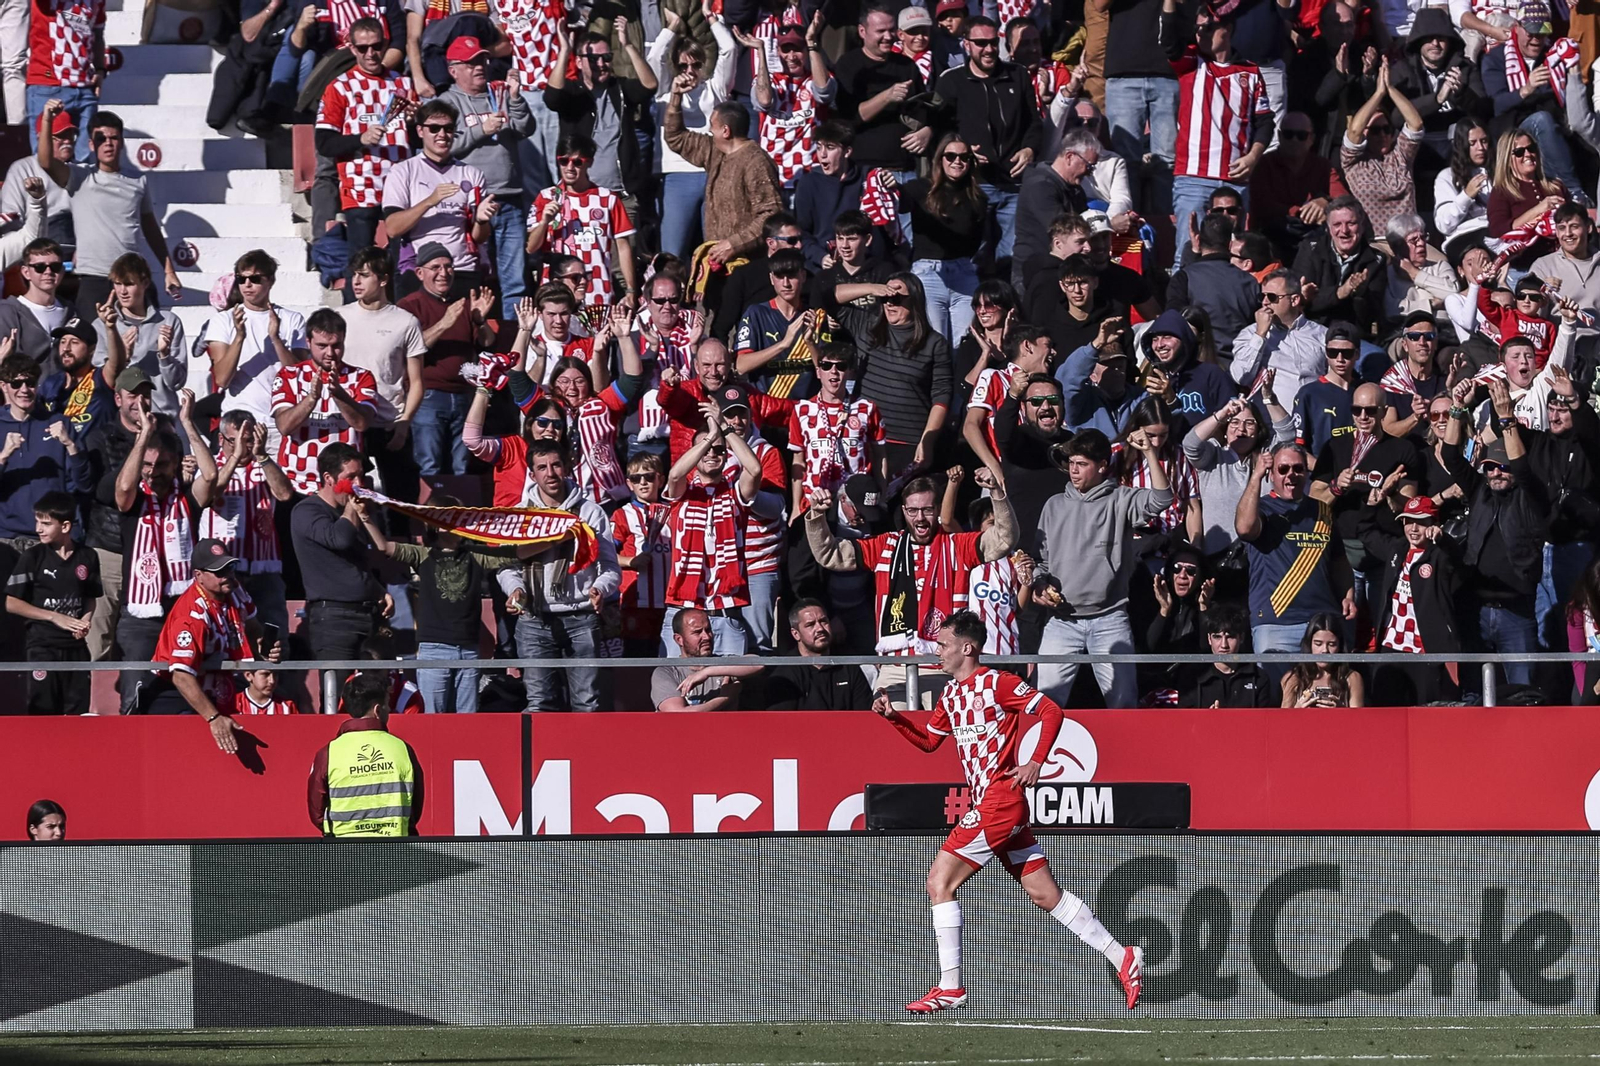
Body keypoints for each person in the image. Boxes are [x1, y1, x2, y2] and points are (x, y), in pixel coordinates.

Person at [870, 610, 1143, 1014]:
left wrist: (1034, 761)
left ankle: (951, 986)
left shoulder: (998, 683)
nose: (937, 651)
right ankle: (1122, 956)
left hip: (1001, 800)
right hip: (992, 803)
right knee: (1044, 894)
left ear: (968, 648)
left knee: (938, 882)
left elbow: (1052, 710)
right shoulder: (951, 694)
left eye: (943, 645)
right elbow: (930, 742)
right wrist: (895, 719)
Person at [807, 468, 1014, 707]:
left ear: (937, 510)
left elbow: (1004, 539)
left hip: (944, 669)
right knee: (892, 737)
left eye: (927, 509)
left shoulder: (957, 545)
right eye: (913, 510)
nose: (920, 518)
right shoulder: (886, 546)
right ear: (904, 511)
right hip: (894, 670)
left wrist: (997, 492)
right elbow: (830, 555)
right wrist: (817, 516)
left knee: (943, 739)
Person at [1032, 426, 1170, 707]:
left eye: (1082, 464)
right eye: (1071, 463)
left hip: (1110, 619)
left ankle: (1127, 752)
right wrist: (1038, 583)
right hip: (1061, 621)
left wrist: (1149, 452)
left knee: (1123, 706)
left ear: (1102, 466)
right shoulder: (1053, 505)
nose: (1074, 470)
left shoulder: (1121, 499)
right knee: (1044, 706)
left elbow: (1162, 499)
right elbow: (1040, 561)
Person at [361, 495, 523, 715]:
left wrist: (555, 537)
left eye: (458, 517)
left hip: (468, 650)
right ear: (431, 523)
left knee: (466, 719)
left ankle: (463, 751)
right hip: (433, 650)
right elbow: (384, 546)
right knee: (433, 719)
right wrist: (364, 516)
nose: (453, 523)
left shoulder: (476, 556)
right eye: (446, 518)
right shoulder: (423, 555)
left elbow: (516, 553)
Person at [1442, 377, 1548, 691]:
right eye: (1489, 467)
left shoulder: (1531, 497)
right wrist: (1458, 409)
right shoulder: (1479, 492)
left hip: (1517, 613)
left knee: (1524, 695)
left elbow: (1524, 469)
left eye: (1501, 467)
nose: (1495, 472)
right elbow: (1451, 457)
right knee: (1474, 694)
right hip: (1474, 609)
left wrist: (1505, 418)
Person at [34, 106, 181, 311]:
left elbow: (150, 228)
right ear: (91, 145)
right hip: (94, 277)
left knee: (147, 339)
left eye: (114, 138)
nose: (108, 143)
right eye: (101, 139)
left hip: (132, 275)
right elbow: (46, 162)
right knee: (91, 342)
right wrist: (48, 119)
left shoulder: (138, 181)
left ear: (121, 143)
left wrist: (169, 271)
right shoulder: (79, 176)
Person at [513, 440, 621, 712]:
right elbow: (508, 565)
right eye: (541, 467)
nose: (550, 473)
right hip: (534, 618)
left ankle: (585, 755)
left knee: (587, 703)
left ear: (567, 467)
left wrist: (599, 589)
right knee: (539, 703)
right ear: (532, 474)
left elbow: (610, 567)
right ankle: (540, 756)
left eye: (556, 465)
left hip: (581, 617)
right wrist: (515, 589)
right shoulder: (521, 513)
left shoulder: (590, 512)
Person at [1166, 3, 1272, 272]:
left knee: (1238, 254)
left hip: (1236, 178)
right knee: (1187, 251)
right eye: (1197, 28)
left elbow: (1265, 122)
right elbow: (1168, 39)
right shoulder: (1191, 62)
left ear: (1228, 29)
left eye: (1208, 27)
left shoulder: (1250, 71)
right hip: (1194, 177)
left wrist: (1254, 155)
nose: (1200, 33)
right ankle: (1180, 312)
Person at [145, 537, 283, 741]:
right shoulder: (191, 615)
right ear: (198, 575)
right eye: (219, 572)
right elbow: (181, 675)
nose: (227, 575)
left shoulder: (234, 589)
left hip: (219, 688)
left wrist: (261, 646)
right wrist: (213, 718)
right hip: (178, 697)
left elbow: (253, 626)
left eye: (230, 567)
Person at [314, 19, 417, 292]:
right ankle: (352, 324)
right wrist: (359, 139)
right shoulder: (340, 87)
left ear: (385, 45)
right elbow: (324, 142)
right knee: (360, 261)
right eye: (363, 48)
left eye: (376, 46)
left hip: (399, 185)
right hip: (361, 186)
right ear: (352, 48)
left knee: (399, 260)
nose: (370, 54)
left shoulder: (402, 83)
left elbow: (417, 140)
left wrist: (416, 122)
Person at [935, 16, 1041, 267]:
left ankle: (1008, 306)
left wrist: (1029, 149)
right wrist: (964, 151)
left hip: (1014, 184)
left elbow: (1034, 123)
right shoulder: (951, 81)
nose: (989, 49)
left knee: (1013, 258)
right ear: (966, 44)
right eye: (981, 43)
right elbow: (940, 132)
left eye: (993, 42)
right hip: (973, 184)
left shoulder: (1018, 75)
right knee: (975, 256)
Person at [440, 35, 533, 317]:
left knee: (514, 280)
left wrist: (515, 98)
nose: (479, 67)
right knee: (471, 278)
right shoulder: (447, 102)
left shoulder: (500, 92)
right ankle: (475, 339)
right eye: (470, 63)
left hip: (510, 198)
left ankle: (514, 343)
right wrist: (483, 130)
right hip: (470, 204)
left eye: (481, 60)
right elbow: (445, 146)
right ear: (453, 69)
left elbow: (525, 128)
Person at [1236, 443, 1356, 652]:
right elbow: (1245, 529)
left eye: (1298, 469)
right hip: (1276, 622)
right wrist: (1256, 477)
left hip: (1323, 623)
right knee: (1276, 685)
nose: (1291, 475)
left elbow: (1339, 561)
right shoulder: (1262, 508)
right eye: (1283, 469)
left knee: (1329, 685)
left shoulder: (1322, 511)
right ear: (1271, 475)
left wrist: (1348, 596)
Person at [396, 243, 497, 477]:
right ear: (420, 273)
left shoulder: (461, 305)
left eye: (448, 266)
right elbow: (407, 349)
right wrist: (443, 324)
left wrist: (480, 320)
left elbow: (488, 342)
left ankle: (460, 513)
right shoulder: (409, 306)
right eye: (436, 267)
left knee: (461, 469)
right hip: (428, 397)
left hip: (463, 396)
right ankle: (428, 513)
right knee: (429, 466)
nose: (444, 273)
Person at [541, 27, 656, 231]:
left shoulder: (619, 88)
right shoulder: (573, 92)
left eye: (606, 57)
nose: (601, 64)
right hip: (580, 196)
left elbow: (649, 86)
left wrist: (628, 46)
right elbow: (551, 97)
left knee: (624, 259)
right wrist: (565, 51)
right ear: (578, 62)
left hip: (622, 196)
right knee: (584, 259)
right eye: (593, 59)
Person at [381, 99, 496, 295]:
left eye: (448, 128)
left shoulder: (472, 174)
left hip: (462, 269)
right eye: (434, 128)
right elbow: (392, 228)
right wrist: (429, 201)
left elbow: (479, 237)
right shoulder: (403, 171)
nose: (442, 135)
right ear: (420, 131)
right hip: (418, 270)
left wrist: (481, 220)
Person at [289, 443, 388, 669]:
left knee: (374, 691)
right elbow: (339, 539)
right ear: (329, 478)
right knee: (338, 692)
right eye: (350, 477)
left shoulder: (353, 512)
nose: (358, 484)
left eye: (361, 476)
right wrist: (353, 506)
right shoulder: (307, 510)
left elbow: (356, 561)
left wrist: (377, 589)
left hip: (368, 613)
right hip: (334, 619)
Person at [663, 87, 784, 272]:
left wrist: (734, 244)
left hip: (748, 267)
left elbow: (772, 215)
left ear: (725, 131)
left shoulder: (757, 162)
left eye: (713, 127)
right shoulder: (715, 151)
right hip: (717, 266)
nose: (710, 131)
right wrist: (675, 98)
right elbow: (675, 137)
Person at [338, 247, 426, 500]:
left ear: (384, 279)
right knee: (348, 498)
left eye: (364, 275)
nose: (356, 281)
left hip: (390, 423)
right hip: (350, 423)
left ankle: (402, 539)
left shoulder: (406, 322)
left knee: (402, 500)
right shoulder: (339, 317)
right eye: (355, 274)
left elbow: (417, 381)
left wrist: (404, 423)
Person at [1481, 2, 1588, 207]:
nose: (1535, 39)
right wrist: (1526, 89)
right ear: (1517, 28)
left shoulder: (1552, 56)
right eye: (1530, 33)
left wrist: (1572, 68)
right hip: (1512, 126)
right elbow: (1495, 105)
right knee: (1542, 121)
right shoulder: (1496, 59)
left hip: (1555, 123)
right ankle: (1574, 192)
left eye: (1542, 32)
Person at [1360, 493, 1461, 704]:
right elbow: (1366, 532)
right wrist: (1371, 506)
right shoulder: (1397, 548)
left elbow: (1458, 561)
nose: (1413, 529)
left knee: (1426, 713)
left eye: (1421, 522)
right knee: (1385, 712)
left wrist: (1443, 540)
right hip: (1391, 646)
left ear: (1434, 524)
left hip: (1424, 650)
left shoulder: (1439, 555)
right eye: (1408, 521)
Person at [4, 491, 98, 715]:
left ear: (65, 526)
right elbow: (11, 602)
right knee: (43, 711)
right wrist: (54, 616)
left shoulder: (88, 556)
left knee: (77, 712)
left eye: (46, 523)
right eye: (37, 521)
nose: (38, 528)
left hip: (76, 649)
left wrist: (84, 621)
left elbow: (90, 597)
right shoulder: (32, 557)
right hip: (42, 647)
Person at [206, 250, 311, 447]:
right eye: (241, 278)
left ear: (270, 281)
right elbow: (222, 379)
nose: (247, 284)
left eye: (254, 278)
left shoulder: (291, 319)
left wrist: (275, 339)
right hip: (238, 424)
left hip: (279, 422)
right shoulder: (223, 320)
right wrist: (239, 337)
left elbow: (300, 375)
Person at [854, 273, 954, 474]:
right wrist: (873, 287)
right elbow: (828, 296)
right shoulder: (868, 328)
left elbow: (941, 396)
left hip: (908, 441)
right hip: (865, 437)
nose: (890, 304)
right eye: (886, 298)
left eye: (897, 298)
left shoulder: (934, 343)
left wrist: (927, 440)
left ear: (914, 300)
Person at [270, 310, 377, 496]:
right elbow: (284, 426)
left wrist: (339, 394)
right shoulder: (289, 375)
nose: (330, 353)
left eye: (336, 345)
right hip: (297, 484)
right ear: (308, 342)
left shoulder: (361, 377)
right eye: (322, 346)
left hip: (344, 487)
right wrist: (311, 399)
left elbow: (362, 423)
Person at [527, 132, 639, 310]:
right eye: (564, 161)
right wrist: (544, 222)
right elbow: (531, 247)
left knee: (598, 338)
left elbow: (623, 247)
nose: (570, 167)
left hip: (598, 290)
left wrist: (631, 291)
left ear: (590, 162)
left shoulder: (608, 199)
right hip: (556, 294)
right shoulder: (546, 197)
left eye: (577, 162)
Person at [894, 136, 987, 344]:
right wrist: (892, 187)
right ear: (940, 159)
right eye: (951, 156)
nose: (957, 162)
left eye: (964, 157)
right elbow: (900, 202)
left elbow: (976, 240)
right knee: (935, 342)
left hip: (963, 272)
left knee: (964, 343)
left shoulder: (977, 197)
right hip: (929, 273)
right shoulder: (920, 188)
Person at [307, 671, 423, 836]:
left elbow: (316, 809)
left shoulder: (328, 753)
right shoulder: (403, 749)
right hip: (395, 848)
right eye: (387, 704)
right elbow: (415, 807)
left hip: (344, 850)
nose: (389, 709)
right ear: (377, 710)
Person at [1183, 392, 1296, 557]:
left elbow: (1288, 434)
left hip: (1263, 556)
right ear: (1224, 430)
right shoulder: (1213, 455)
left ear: (1258, 431)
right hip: (1219, 559)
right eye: (1234, 422)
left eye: (1249, 423)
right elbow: (1190, 444)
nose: (1241, 429)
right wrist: (1222, 414)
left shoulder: (1267, 456)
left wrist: (1269, 398)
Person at [0, 352, 92, 546]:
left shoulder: (59, 423)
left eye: (30, 383)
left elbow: (84, 484)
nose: (24, 389)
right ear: (4, 386)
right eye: (16, 384)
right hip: (6, 538)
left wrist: (70, 445)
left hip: (51, 539)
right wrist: (3, 457)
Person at [736, 20, 835, 195]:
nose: (791, 56)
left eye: (797, 49)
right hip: (773, 180)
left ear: (806, 51)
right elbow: (764, 101)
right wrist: (760, 50)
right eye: (785, 50)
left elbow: (824, 93)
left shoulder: (817, 78)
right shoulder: (771, 80)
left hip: (809, 179)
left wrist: (812, 43)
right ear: (778, 52)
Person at [834, 6, 928, 185]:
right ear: (862, 31)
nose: (888, 36)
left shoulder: (907, 66)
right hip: (862, 172)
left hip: (903, 171)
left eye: (891, 30)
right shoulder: (849, 65)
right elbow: (849, 117)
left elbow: (924, 111)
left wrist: (927, 132)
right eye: (881, 31)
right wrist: (886, 97)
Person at [1338, 59, 1427, 239]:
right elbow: (1354, 131)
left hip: (1409, 241)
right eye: (1375, 131)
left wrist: (1390, 90)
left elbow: (1415, 124)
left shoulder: (1400, 155)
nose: (1383, 135)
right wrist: (1378, 94)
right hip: (1374, 242)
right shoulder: (1354, 162)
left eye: (1387, 129)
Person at [92, 254, 186, 420]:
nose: (122, 291)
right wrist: (122, 358)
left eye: (129, 284)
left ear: (145, 283)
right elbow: (100, 384)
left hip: (162, 418)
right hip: (121, 422)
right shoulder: (102, 325)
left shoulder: (168, 321)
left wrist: (164, 356)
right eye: (117, 284)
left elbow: (176, 383)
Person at [1249, 111, 1349, 260]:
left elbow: (1344, 200)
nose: (1295, 140)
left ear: (1312, 139)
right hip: (1273, 238)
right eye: (1289, 134)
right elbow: (1262, 205)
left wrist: (1326, 203)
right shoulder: (1264, 164)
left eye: (1301, 136)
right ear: (1280, 136)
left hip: (1311, 238)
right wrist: (1305, 212)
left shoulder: (1322, 166)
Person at [1290, 196, 1391, 337]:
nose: (1344, 230)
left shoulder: (1376, 260)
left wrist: (1360, 294)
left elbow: (1371, 316)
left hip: (1353, 338)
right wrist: (1340, 292)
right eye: (1337, 224)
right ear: (1328, 228)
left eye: (1351, 223)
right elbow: (1301, 301)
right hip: (1311, 333)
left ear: (1362, 226)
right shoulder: (1310, 250)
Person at [1010, 129, 1096, 293]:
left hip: (1062, 270)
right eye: (1089, 166)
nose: (1090, 173)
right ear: (1070, 157)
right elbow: (1066, 230)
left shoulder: (1075, 189)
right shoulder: (1040, 186)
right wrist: (1110, 224)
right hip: (1034, 275)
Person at [1230, 270, 1328, 411]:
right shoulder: (1250, 334)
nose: (1265, 302)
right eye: (1261, 296)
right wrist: (1260, 335)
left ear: (1294, 300)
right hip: (1271, 421)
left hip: (1314, 415)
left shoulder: (1321, 334)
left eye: (1272, 297)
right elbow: (1241, 376)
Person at [1168, 214, 1260, 362]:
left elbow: (1173, 326)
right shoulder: (1251, 282)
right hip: (1242, 368)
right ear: (1230, 245)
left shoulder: (1184, 278)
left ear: (1198, 241)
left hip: (1197, 369)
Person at [764, 598, 875, 710]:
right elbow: (780, 724)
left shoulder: (849, 667)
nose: (820, 628)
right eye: (810, 625)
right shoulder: (785, 676)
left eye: (824, 621)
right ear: (796, 634)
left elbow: (864, 716)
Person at [24, 0, 101, 160]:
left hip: (85, 87)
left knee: (85, 160)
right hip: (48, 84)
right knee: (45, 158)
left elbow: (98, 34)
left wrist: (100, 69)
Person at [1486, 127, 1568, 268]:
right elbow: (1498, 232)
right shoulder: (1501, 192)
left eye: (1531, 148)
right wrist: (1538, 210)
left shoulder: (1555, 186)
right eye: (1519, 152)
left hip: (1563, 262)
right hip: (1526, 267)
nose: (1528, 154)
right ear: (1507, 158)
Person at [38, 312, 117, 439]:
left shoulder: (101, 378)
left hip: (94, 454)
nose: (66, 348)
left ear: (91, 349)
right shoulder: (50, 383)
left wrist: (111, 328)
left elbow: (116, 363)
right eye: (63, 342)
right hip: (57, 455)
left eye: (74, 342)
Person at [650, 607, 745, 711]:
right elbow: (679, 714)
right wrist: (724, 697)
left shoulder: (722, 664)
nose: (707, 637)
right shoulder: (666, 672)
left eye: (708, 630)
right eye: (697, 632)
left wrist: (706, 672)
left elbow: (758, 664)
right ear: (679, 639)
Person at [1190, 602, 1279, 706]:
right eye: (1217, 637)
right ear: (1209, 639)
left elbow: (1264, 721)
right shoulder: (1192, 678)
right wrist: (1208, 719)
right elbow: (1182, 720)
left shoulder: (1259, 678)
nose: (1224, 645)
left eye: (1230, 637)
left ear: (1241, 638)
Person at [0, 238, 71, 366]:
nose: (48, 272)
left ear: (62, 271)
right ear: (26, 272)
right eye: (40, 267)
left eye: (55, 266)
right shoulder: (6, 312)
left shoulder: (71, 312)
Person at [1279, 613, 1364, 707]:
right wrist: (1298, 710)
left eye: (1332, 644)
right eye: (1318, 644)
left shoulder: (1351, 678)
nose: (1325, 650)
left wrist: (1341, 710)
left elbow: (1358, 719)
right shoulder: (1293, 678)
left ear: (1340, 646)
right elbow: (1283, 719)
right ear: (1309, 644)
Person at [1434, 121, 1493, 255]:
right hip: (1465, 239)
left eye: (1484, 141)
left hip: (1496, 233)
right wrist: (1466, 196)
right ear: (1461, 145)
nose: (1481, 148)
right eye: (1472, 143)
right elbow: (1444, 225)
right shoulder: (1447, 176)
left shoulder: (1496, 172)